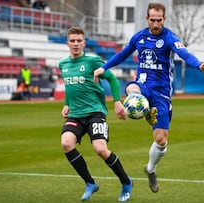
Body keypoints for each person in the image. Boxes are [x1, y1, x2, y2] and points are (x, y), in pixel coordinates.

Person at [94, 2, 204, 193]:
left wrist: (199, 64)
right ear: (147, 19)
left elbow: (184, 53)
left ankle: (150, 169)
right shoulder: (139, 37)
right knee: (132, 89)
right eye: (153, 20)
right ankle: (145, 108)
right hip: (142, 84)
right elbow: (123, 54)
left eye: (159, 20)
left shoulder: (169, 38)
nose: (156, 24)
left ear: (164, 19)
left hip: (162, 92)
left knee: (161, 140)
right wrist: (104, 67)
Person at [59, 27, 133, 202]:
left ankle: (126, 181)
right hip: (75, 114)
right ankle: (90, 183)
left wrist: (116, 101)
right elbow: (70, 86)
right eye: (73, 41)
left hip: (95, 113)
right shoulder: (63, 64)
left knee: (100, 149)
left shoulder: (93, 61)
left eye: (79, 41)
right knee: (66, 143)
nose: (76, 44)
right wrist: (66, 104)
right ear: (67, 43)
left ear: (84, 43)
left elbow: (112, 79)